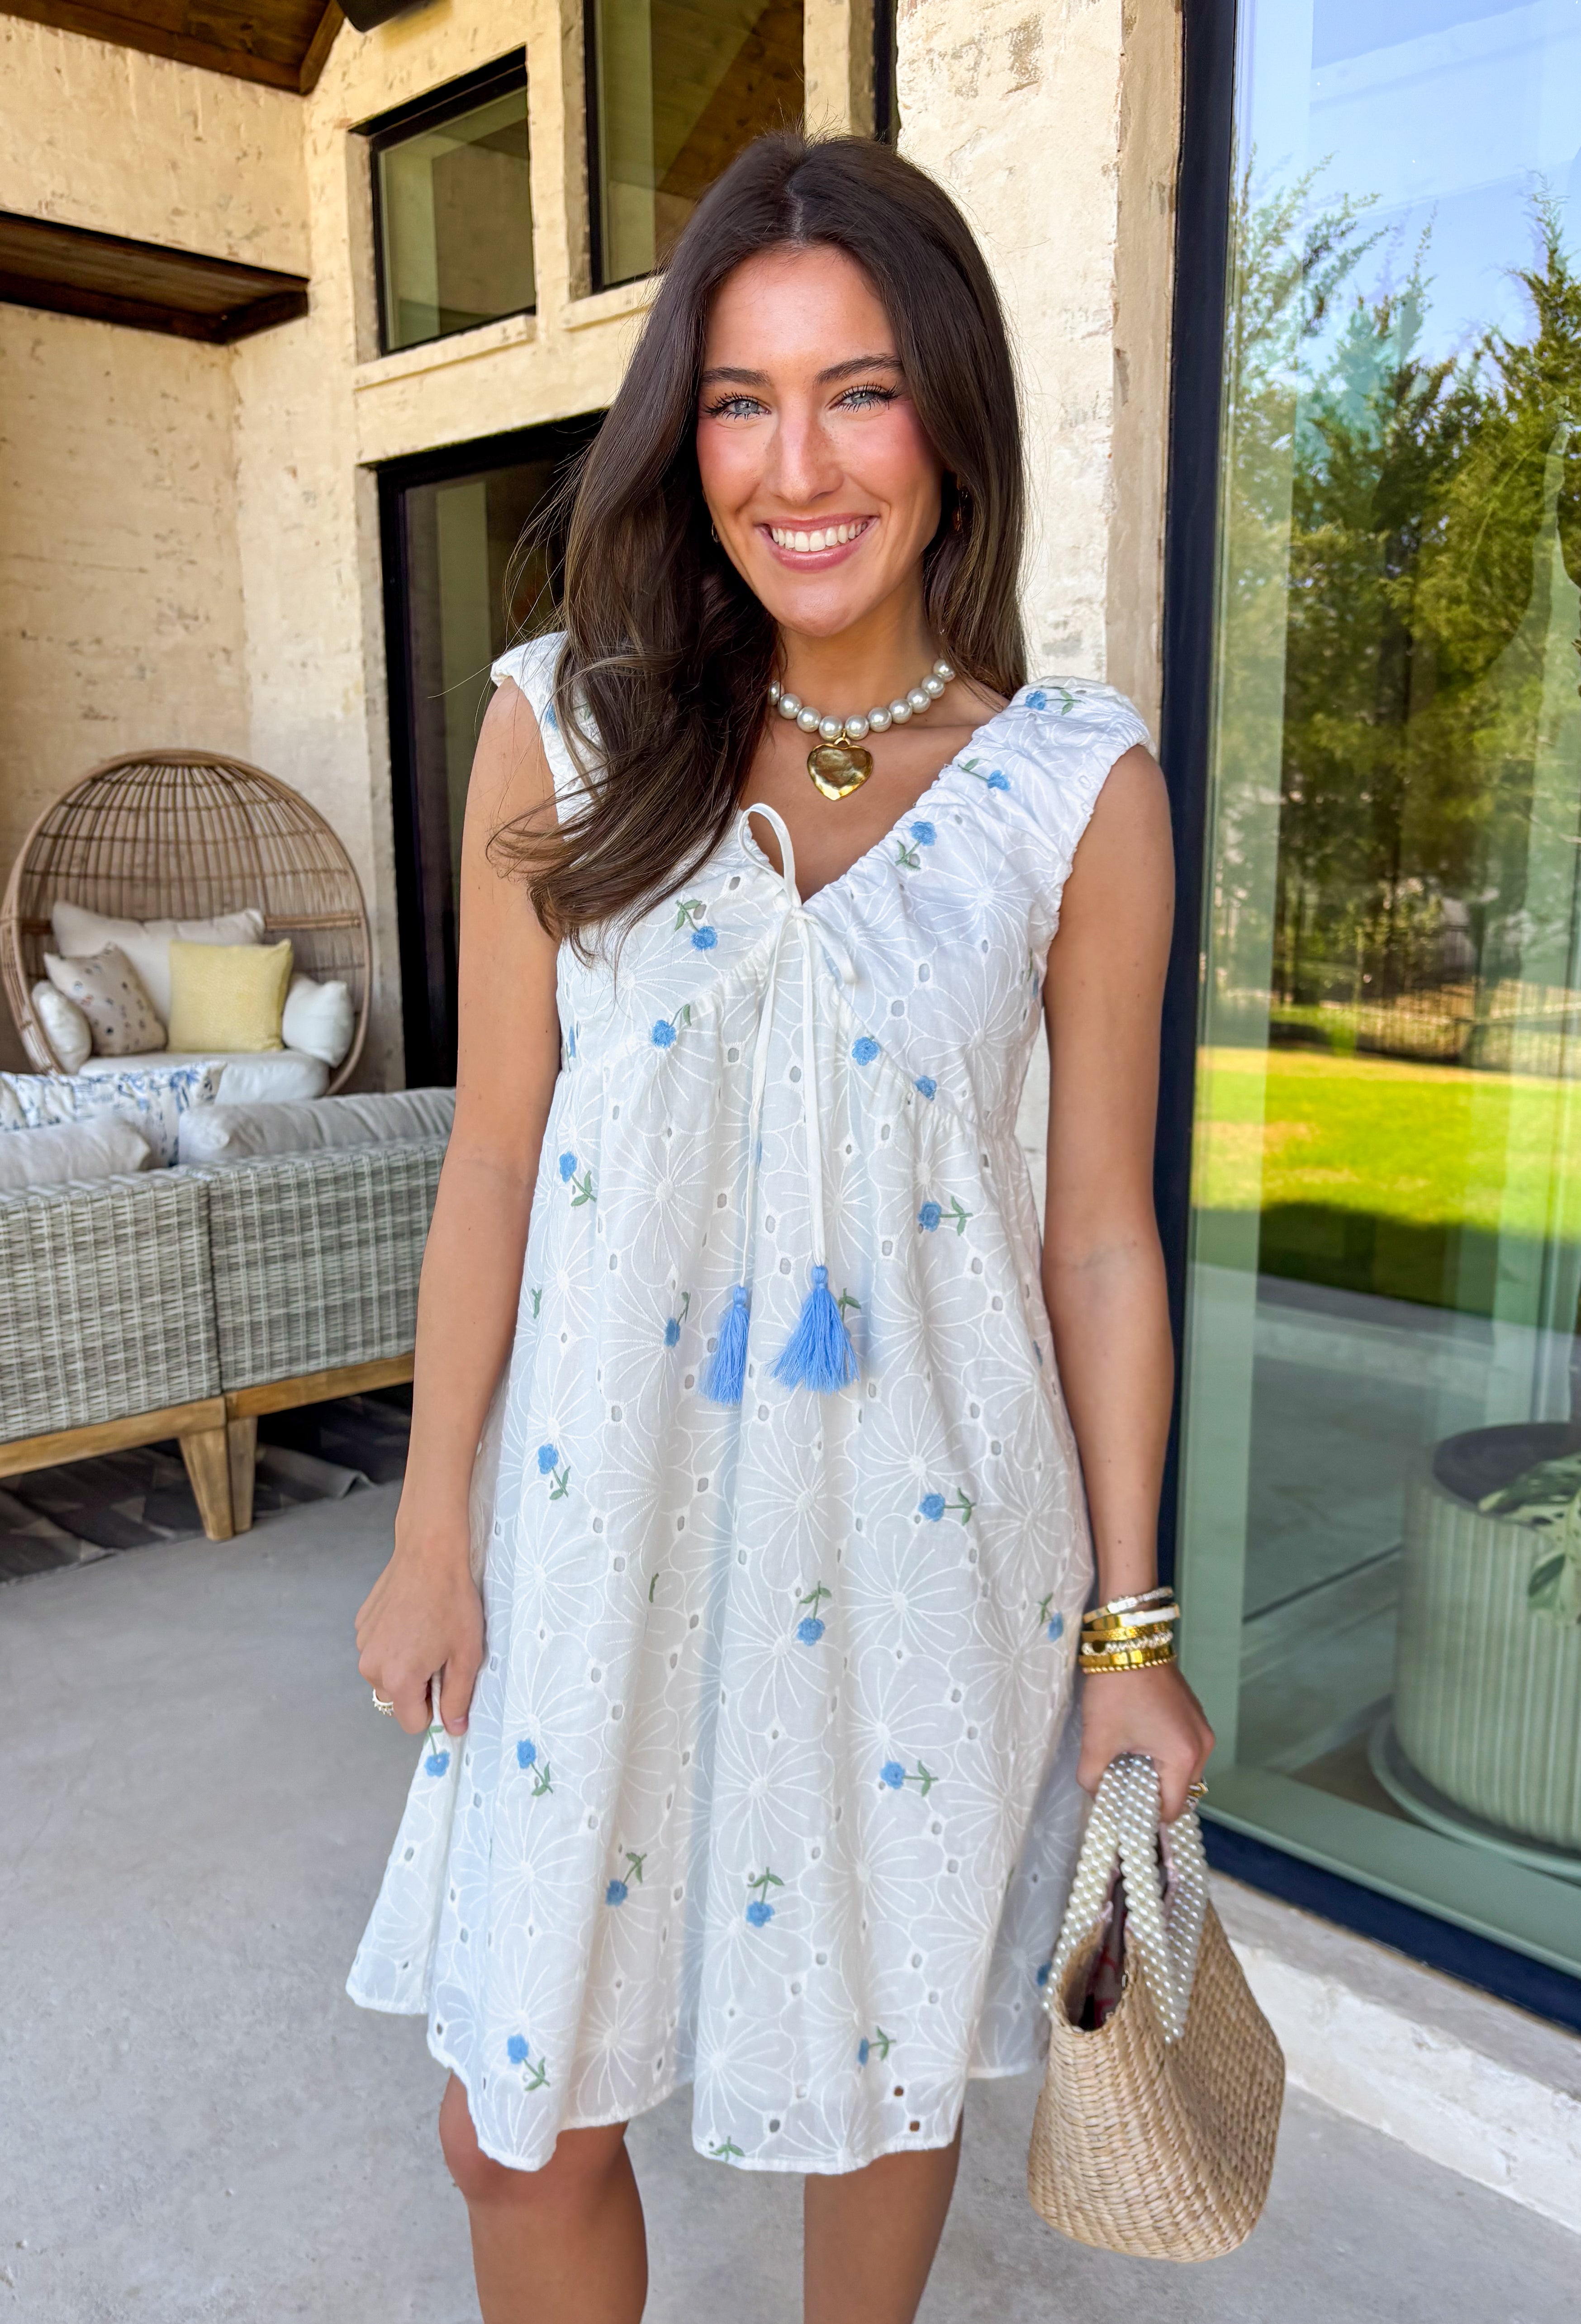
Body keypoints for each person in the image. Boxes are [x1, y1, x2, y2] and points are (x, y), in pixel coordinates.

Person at [349, 129, 1213, 2324]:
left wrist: (1127, 1638)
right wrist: (430, 1518)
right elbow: (491, 1158)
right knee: (507, 2115)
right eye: (741, 397)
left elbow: (1098, 1238)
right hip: (595, 1520)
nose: (795, 463)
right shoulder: (564, 728)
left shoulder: (1072, 791)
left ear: (950, 420)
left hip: (929, 1547)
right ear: (683, 430)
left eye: (860, 390)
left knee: (880, 2074)